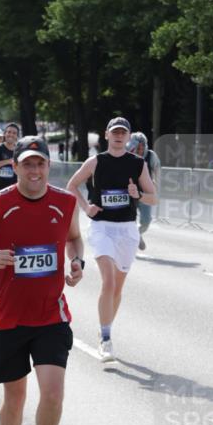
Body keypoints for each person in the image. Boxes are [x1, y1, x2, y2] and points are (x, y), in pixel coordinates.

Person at [0, 136, 84, 425]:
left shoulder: (65, 202)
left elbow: (74, 238)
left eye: (40, 163)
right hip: (7, 317)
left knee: (53, 394)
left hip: (51, 315)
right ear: (15, 167)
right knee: (15, 396)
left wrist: (76, 261)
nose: (34, 170)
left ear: (48, 166)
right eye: (27, 164)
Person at [66, 117, 157, 362]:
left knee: (117, 287)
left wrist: (138, 194)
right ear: (107, 135)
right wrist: (86, 208)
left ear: (128, 137)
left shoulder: (138, 164)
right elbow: (72, 185)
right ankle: (106, 339)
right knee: (108, 281)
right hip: (102, 227)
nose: (118, 136)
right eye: (114, 132)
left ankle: (104, 326)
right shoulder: (95, 162)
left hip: (127, 229)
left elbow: (153, 197)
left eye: (122, 133)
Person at [127, 132, 161, 250]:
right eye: (138, 146)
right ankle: (130, 241)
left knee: (146, 221)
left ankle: (138, 233)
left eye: (143, 146)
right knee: (129, 220)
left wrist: (156, 186)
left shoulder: (151, 156)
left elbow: (157, 170)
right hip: (129, 193)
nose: (140, 149)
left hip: (145, 194)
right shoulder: (127, 154)